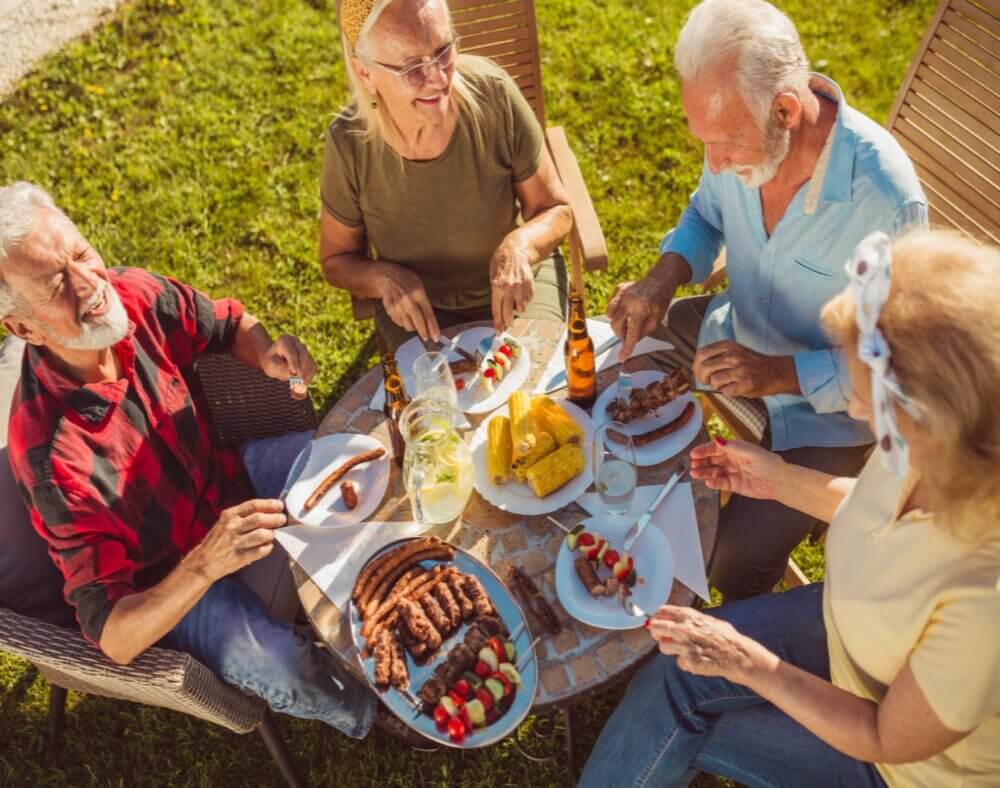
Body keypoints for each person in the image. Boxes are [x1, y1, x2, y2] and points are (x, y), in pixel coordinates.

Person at [580, 229, 1000, 787]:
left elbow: (886, 737)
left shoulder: (986, 596)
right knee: (674, 670)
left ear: (929, 414)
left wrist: (746, 663)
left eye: (861, 391)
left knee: (682, 715)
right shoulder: (935, 448)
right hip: (845, 630)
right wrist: (782, 480)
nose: (849, 404)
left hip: (897, 767)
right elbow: (880, 515)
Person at [1, 182, 374, 738]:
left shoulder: (133, 294)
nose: (88, 284)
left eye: (79, 253)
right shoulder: (57, 464)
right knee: (279, 661)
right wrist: (206, 563)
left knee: (362, 462)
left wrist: (267, 356)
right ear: (24, 328)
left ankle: (384, 599)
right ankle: (365, 713)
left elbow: (225, 324)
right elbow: (115, 636)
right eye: (56, 283)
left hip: (232, 479)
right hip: (175, 583)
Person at [606, 0, 927, 599]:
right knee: (616, 364)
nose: (714, 162)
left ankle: (753, 632)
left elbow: (898, 369)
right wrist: (664, 276)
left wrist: (779, 374)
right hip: (732, 335)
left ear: (784, 111)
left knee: (731, 564)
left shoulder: (887, 201)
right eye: (705, 144)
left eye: (725, 145)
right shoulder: (740, 140)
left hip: (828, 418)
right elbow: (706, 213)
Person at [319, 0, 573, 351]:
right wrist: (386, 279)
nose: (438, 78)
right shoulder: (349, 143)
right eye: (412, 68)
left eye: (443, 50)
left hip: (519, 283)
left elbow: (555, 210)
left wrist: (520, 246)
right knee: (435, 405)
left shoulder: (493, 94)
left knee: (537, 395)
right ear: (365, 74)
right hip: (422, 313)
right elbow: (336, 261)